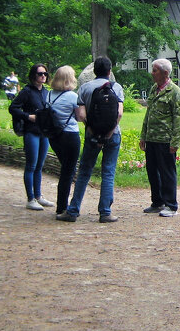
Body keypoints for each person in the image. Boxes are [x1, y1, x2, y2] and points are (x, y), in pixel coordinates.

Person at [57, 56, 124, 223]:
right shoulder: (116, 87)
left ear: (94, 71)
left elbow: (80, 115)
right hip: (113, 135)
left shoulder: (85, 88)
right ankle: (105, 212)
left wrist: (93, 130)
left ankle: (72, 211)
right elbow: (120, 113)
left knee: (84, 172)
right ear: (110, 71)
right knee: (108, 172)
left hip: (92, 136)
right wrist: (109, 132)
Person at [139, 58, 180, 217]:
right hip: (152, 138)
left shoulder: (174, 92)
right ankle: (157, 202)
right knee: (152, 171)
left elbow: (178, 118)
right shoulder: (154, 89)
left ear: (165, 73)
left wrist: (175, 141)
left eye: (155, 70)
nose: (152, 73)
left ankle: (171, 205)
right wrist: (143, 135)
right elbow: (148, 114)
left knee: (167, 173)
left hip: (165, 139)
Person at [8, 64, 53, 211]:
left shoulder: (46, 92)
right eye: (40, 74)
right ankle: (30, 198)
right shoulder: (27, 92)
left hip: (43, 132)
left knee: (40, 166)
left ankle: (38, 196)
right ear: (33, 75)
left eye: (45, 74)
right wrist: (28, 116)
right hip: (31, 132)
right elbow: (13, 108)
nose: (43, 76)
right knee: (31, 165)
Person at [46, 65, 81, 218]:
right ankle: (62, 207)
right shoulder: (73, 97)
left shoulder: (48, 95)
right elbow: (79, 117)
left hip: (54, 136)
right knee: (68, 172)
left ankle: (62, 205)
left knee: (66, 169)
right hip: (70, 135)